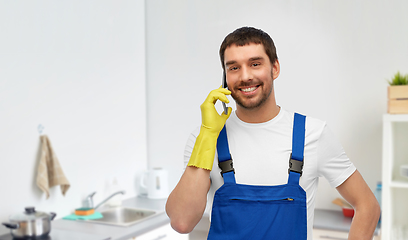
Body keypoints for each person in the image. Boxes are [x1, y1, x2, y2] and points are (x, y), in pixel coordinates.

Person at [166, 26, 380, 240]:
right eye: (233, 68)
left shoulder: (312, 134)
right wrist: (207, 135)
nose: (245, 76)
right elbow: (182, 221)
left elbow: (367, 205)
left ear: (275, 68)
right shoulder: (204, 138)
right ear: (225, 77)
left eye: (255, 64)